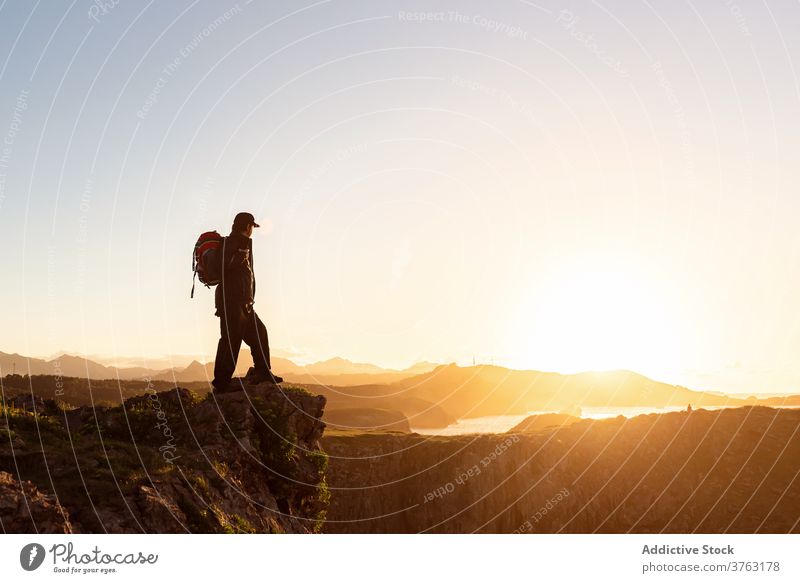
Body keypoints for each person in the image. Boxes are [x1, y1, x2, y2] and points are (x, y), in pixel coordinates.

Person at [212, 212, 283, 393]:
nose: (253, 230)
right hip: (232, 302)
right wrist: (238, 256)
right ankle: (221, 383)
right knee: (230, 340)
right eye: (252, 226)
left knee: (259, 333)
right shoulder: (231, 243)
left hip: (244, 303)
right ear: (247, 226)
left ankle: (263, 372)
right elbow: (223, 267)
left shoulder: (241, 244)